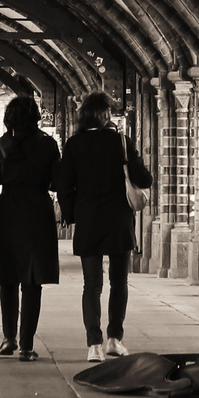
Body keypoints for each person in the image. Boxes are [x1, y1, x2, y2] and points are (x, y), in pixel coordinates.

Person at [53, 92, 151, 362]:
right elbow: (144, 178)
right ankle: (114, 340)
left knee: (91, 285)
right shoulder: (121, 141)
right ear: (106, 115)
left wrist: (72, 215)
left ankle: (93, 345)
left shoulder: (73, 145)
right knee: (119, 281)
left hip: (88, 220)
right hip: (118, 220)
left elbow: (63, 185)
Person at [0, 96, 60, 361]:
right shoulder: (48, 145)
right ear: (36, 117)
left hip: (7, 211)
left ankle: (7, 338)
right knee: (32, 282)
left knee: (8, 280)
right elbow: (56, 183)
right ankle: (26, 345)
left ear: (9, 118)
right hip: (37, 213)